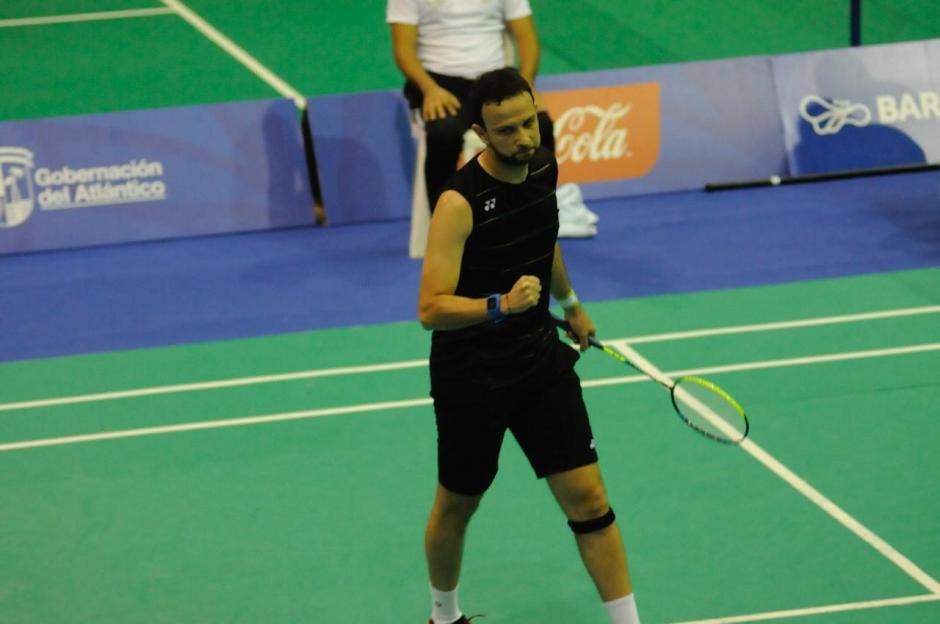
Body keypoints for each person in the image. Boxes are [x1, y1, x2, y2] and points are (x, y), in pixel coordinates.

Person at [417, 68, 640, 624]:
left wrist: (570, 304)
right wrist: (501, 305)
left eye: (527, 122)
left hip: (539, 361)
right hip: (472, 375)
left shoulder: (542, 165)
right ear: (481, 133)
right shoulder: (458, 202)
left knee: (590, 501)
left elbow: (547, 236)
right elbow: (431, 310)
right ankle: (443, 616)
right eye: (506, 131)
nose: (523, 138)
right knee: (457, 505)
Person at [387, 0, 597, 237]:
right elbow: (403, 51)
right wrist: (429, 89)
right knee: (443, 134)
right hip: (440, 85)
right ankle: (445, 227)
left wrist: (525, 87)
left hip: (495, 83)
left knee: (542, 125)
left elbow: (526, 38)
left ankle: (539, 208)